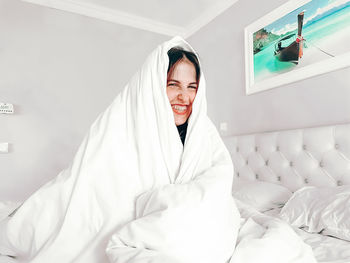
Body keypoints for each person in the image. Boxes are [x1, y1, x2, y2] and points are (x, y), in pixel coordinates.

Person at [0, 36, 239, 263]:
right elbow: (94, 181)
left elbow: (218, 179)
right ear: (155, 87)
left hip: (171, 220)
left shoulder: (203, 130)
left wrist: (168, 204)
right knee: (44, 217)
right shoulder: (124, 119)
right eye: (173, 84)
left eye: (191, 87)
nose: (184, 96)